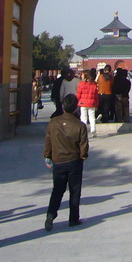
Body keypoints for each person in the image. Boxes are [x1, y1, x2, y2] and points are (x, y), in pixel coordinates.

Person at [43, 94, 89, 231]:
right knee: (75, 191)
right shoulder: (79, 125)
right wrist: (83, 156)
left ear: (63, 106)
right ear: (76, 108)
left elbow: (48, 141)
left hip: (58, 161)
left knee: (57, 190)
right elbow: (84, 145)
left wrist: (48, 156)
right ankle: (73, 219)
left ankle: (50, 215)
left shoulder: (53, 122)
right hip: (74, 161)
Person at [77, 69, 100, 138]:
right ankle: (93, 130)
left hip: (83, 103)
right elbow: (96, 95)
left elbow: (78, 94)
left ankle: (84, 132)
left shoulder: (81, 84)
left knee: (83, 118)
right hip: (92, 103)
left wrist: (77, 101)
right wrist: (96, 104)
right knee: (92, 117)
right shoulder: (94, 84)